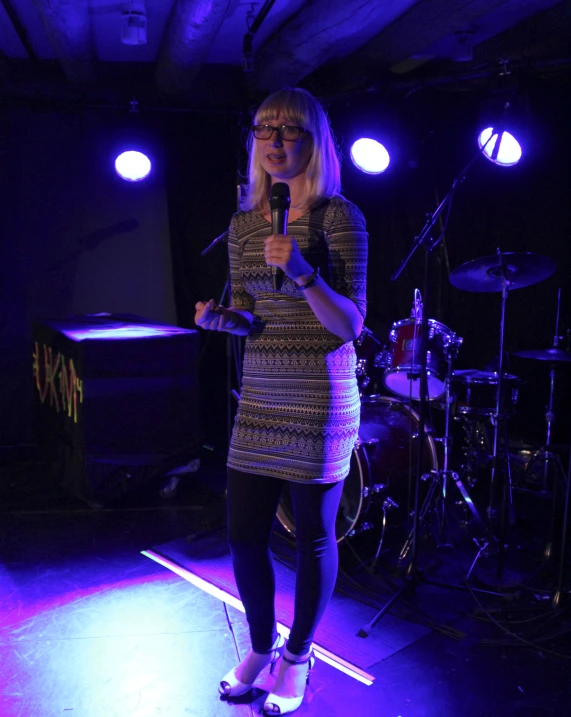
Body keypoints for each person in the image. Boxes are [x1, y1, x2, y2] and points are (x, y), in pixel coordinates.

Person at [194, 87, 368, 716]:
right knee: (243, 536)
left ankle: (298, 656)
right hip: (262, 395)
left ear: (312, 141)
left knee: (313, 541)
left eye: (289, 130)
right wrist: (223, 320)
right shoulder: (244, 225)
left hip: (320, 395)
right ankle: (262, 646)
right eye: (264, 128)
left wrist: (303, 270)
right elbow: (252, 318)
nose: (273, 140)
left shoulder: (339, 218)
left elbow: (349, 325)